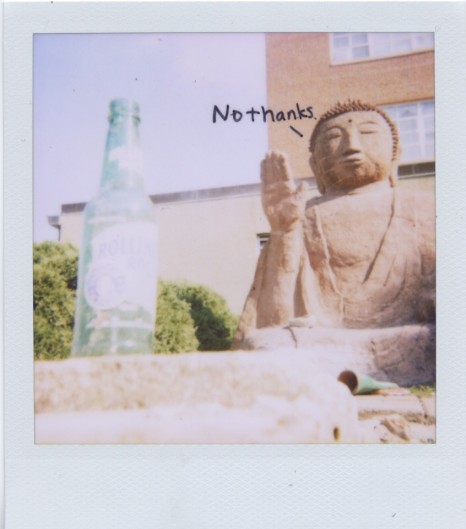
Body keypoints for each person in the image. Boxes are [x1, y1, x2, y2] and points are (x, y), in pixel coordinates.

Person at [233, 100, 435, 348]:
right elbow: (272, 318)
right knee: (267, 342)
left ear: (396, 154)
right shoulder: (301, 216)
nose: (352, 146)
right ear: (315, 164)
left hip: (405, 340)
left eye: (367, 133)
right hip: (319, 340)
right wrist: (283, 231)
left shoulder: (423, 207)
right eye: (333, 137)